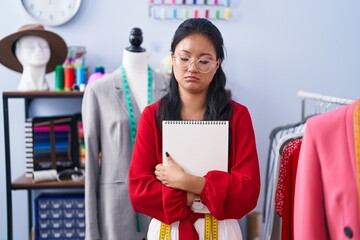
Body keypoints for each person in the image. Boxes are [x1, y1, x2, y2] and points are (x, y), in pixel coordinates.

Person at [128, 18, 261, 240]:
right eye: (184, 58)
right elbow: (139, 192)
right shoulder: (153, 116)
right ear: (172, 58)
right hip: (167, 231)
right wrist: (204, 193)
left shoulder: (238, 116)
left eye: (204, 61)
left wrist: (186, 182)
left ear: (217, 64)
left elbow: (247, 191)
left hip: (221, 231)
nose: (192, 68)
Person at [82, 30, 169, 240]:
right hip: (117, 207)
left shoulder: (170, 89)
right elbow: (91, 166)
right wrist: (91, 231)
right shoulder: (98, 91)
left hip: (163, 203)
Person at [0, 24, 67, 91]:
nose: (39, 49)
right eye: (30, 47)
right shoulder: (25, 87)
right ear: (18, 53)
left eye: (44, 46)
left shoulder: (45, 86)